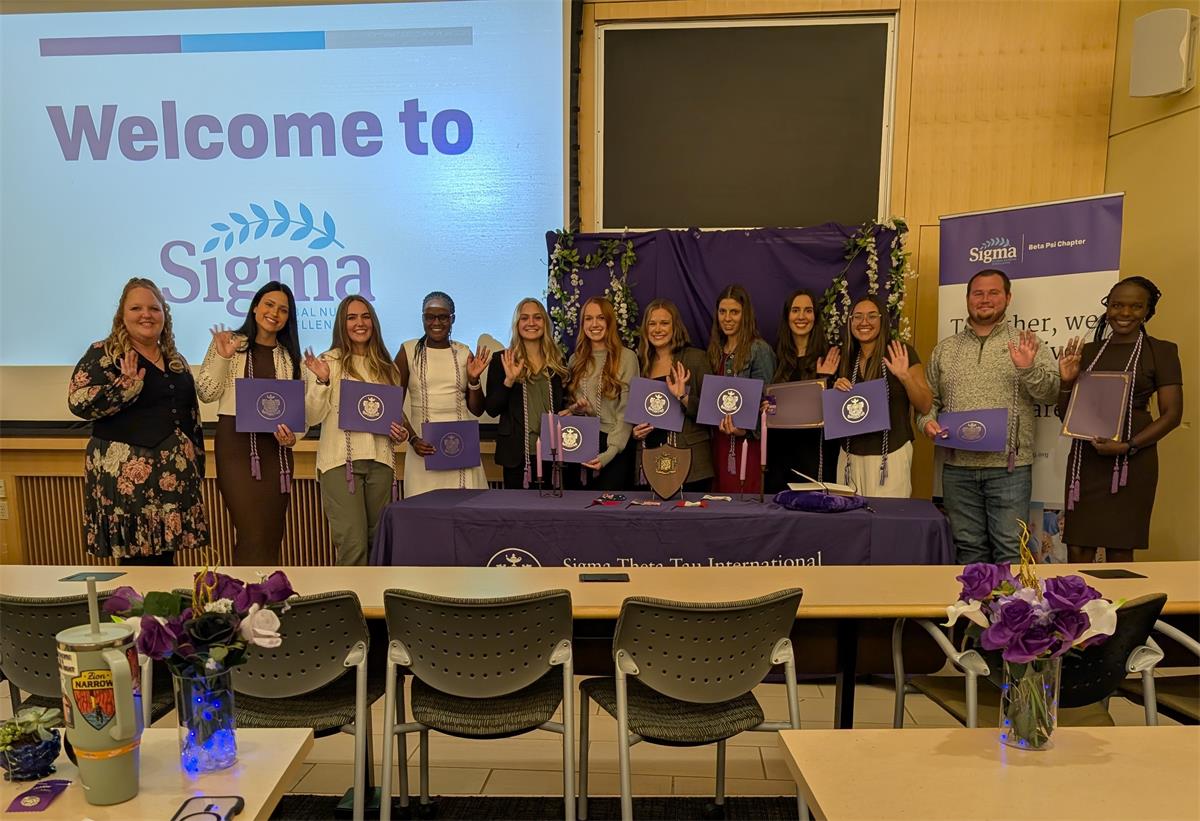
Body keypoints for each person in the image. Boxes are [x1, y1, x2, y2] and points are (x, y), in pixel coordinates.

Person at [917, 269, 1060, 564]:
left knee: (1010, 551)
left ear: (1008, 298)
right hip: (958, 470)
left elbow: (1051, 395)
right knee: (968, 552)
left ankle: (1009, 612)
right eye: (978, 293)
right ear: (968, 298)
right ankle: (973, 612)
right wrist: (926, 423)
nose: (985, 299)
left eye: (993, 292)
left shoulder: (1028, 344)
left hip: (1009, 470)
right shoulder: (945, 349)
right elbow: (928, 402)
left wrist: (1027, 368)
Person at [68, 278, 208, 565]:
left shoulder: (174, 359)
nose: (146, 314)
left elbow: (189, 415)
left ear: (164, 315)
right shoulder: (104, 353)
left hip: (172, 481)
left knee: (165, 562)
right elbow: (78, 402)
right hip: (127, 483)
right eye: (136, 308)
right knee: (136, 565)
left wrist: (197, 461)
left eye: (154, 308)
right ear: (122, 316)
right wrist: (125, 388)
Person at [1056, 276, 1183, 563]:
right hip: (1085, 461)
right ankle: (1076, 608)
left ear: (1148, 310)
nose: (1124, 313)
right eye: (1117, 305)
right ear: (1107, 307)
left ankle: (1120, 609)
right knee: (1078, 546)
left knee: (1119, 548)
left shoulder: (1161, 351)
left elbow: (1173, 414)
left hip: (1132, 461)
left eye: (1135, 306)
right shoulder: (1088, 352)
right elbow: (1067, 415)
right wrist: (1066, 382)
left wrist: (1128, 446)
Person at [197, 281, 304, 565]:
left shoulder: (289, 356)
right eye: (269, 304)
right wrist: (222, 358)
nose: (274, 313)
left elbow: (298, 411)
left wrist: (293, 437)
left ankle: (267, 605)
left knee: (271, 533)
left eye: (283, 309)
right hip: (236, 448)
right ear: (255, 306)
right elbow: (207, 393)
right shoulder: (231, 342)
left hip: (276, 454)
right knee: (252, 533)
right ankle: (245, 605)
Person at [302, 296, 409, 566]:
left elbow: (394, 418)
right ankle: (352, 608)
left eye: (365, 316)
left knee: (378, 543)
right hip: (341, 464)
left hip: (381, 463)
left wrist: (401, 433)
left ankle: (376, 607)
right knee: (353, 543)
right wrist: (322, 380)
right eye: (351, 317)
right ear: (341, 323)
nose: (359, 323)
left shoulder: (388, 368)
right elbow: (312, 417)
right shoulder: (328, 363)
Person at [832, 295, 931, 497]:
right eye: (857, 316)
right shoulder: (845, 357)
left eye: (871, 316)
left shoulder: (899, 352)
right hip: (850, 456)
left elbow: (925, 405)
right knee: (850, 523)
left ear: (882, 320)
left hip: (890, 455)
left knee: (887, 521)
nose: (864, 322)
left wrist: (904, 377)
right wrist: (835, 388)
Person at [395, 292, 491, 496]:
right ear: (423, 319)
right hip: (422, 450)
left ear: (452, 319)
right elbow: (392, 404)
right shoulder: (408, 351)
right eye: (430, 317)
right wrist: (412, 439)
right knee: (424, 516)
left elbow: (477, 409)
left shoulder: (464, 352)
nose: (436, 322)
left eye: (443, 317)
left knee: (464, 514)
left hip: (462, 450)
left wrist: (474, 381)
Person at [484, 298, 568, 489]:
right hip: (516, 454)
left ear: (545, 323)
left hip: (552, 452)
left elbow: (560, 407)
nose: (531, 323)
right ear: (517, 324)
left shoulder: (557, 363)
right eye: (524, 318)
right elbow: (492, 409)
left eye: (537, 317)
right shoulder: (502, 360)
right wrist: (509, 381)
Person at [631, 299, 713, 492]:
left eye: (664, 323)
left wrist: (683, 397)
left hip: (690, 463)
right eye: (652, 323)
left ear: (675, 326)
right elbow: (631, 413)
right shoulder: (640, 363)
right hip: (649, 461)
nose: (657, 329)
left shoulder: (696, 358)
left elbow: (711, 412)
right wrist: (634, 432)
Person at [764, 289, 841, 492]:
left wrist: (825, 380)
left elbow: (838, 414)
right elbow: (768, 402)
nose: (801, 316)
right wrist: (765, 406)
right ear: (787, 316)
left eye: (807, 311)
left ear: (815, 317)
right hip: (779, 455)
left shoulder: (829, 356)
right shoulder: (775, 356)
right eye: (795, 310)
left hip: (816, 455)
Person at [705, 284, 776, 494]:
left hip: (748, 445)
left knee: (744, 500)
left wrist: (745, 429)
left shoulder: (759, 350)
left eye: (734, 312)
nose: (727, 318)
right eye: (722, 312)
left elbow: (769, 404)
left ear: (745, 315)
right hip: (718, 442)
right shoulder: (715, 350)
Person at [566, 296, 639, 490]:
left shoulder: (626, 357)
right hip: (581, 445)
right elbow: (570, 406)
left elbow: (627, 410)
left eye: (600, 318)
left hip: (614, 446)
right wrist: (576, 409)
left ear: (609, 322)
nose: (594, 324)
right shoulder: (575, 360)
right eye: (588, 319)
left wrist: (610, 451)